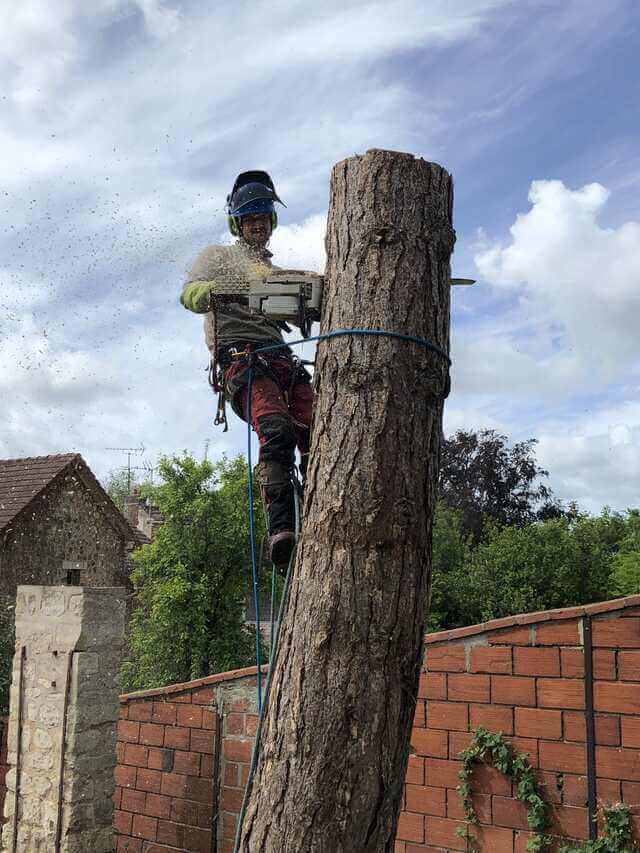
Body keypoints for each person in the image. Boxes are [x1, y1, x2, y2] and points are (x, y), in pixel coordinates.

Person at [180, 171, 313, 568]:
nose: (258, 224)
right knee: (276, 429)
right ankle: (282, 530)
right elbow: (189, 294)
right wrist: (217, 291)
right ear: (237, 222)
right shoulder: (218, 258)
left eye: (263, 217)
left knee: (318, 429)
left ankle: (321, 501)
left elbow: (310, 298)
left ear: (272, 221)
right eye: (250, 217)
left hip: (281, 359)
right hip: (242, 358)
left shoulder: (276, 274)